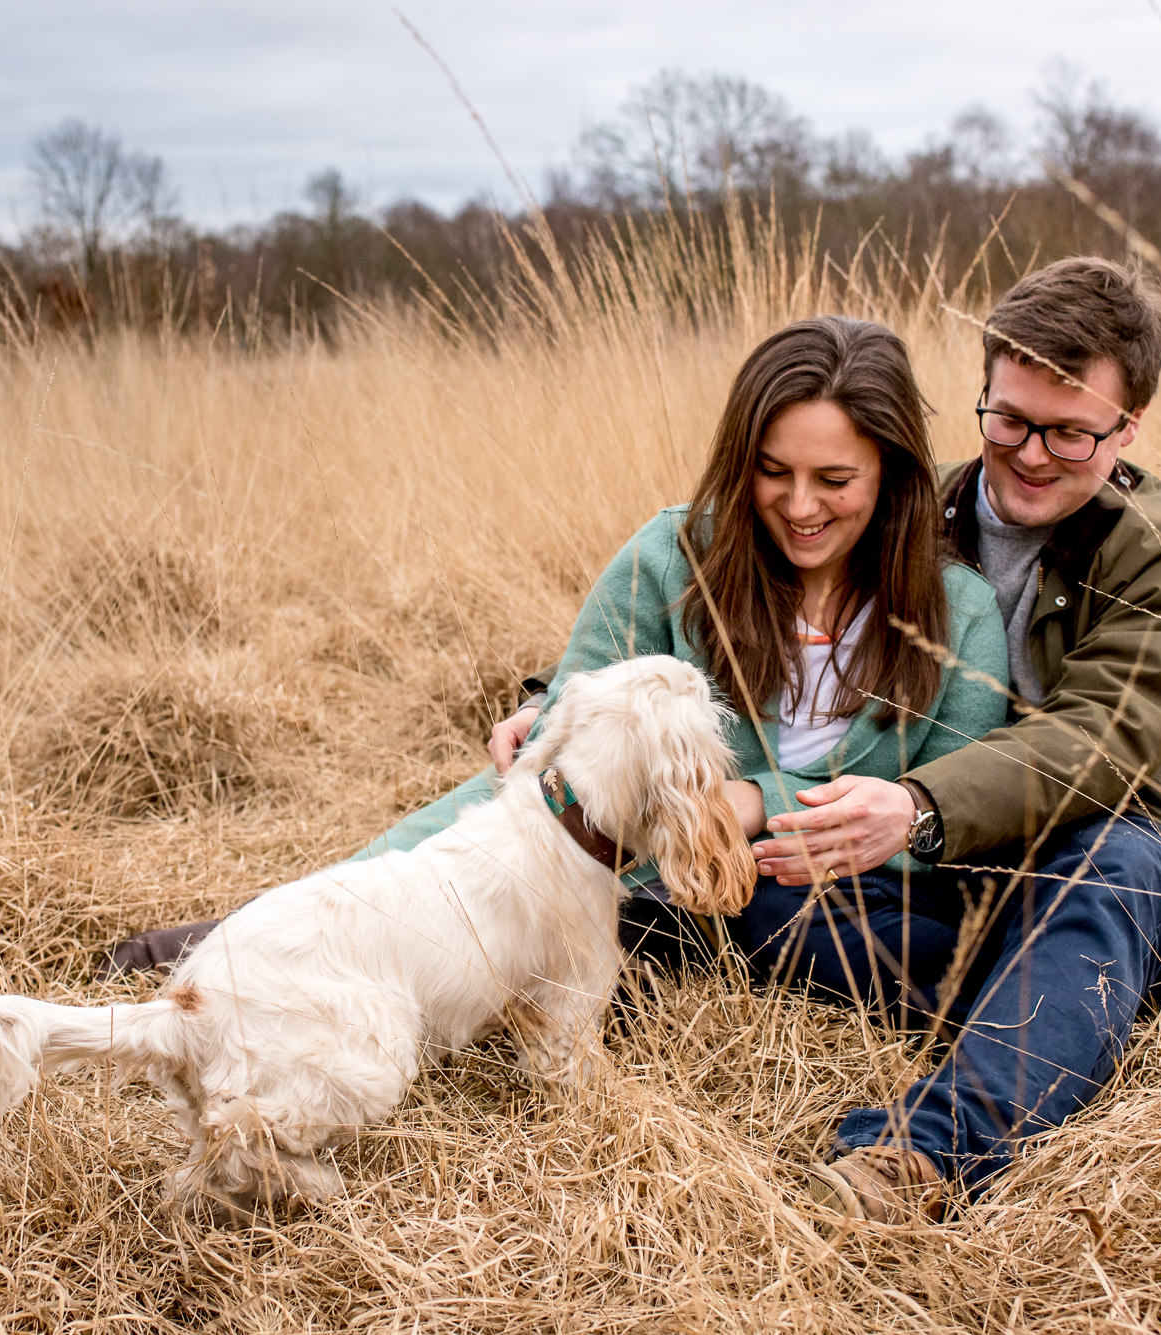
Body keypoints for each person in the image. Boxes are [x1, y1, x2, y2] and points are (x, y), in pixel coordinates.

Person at [495, 258, 1161, 1223]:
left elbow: (1098, 741)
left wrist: (919, 804)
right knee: (760, 883)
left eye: (1070, 432)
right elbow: (744, 589)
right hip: (935, 870)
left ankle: (923, 1156)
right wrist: (555, 702)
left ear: (1129, 428)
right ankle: (1088, 1005)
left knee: (1107, 872)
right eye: (1009, 418)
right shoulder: (905, 506)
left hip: (1111, 840)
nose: (1029, 453)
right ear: (980, 394)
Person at [102, 312, 1011, 1035]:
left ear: (893, 474)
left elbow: (946, 795)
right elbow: (566, 718)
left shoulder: (956, 610)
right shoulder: (676, 550)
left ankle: (621, 966)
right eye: (773, 472)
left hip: (803, 887)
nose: (800, 505)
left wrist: (754, 801)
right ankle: (275, 935)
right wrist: (547, 714)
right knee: (494, 818)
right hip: (614, 847)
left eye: (835, 479)